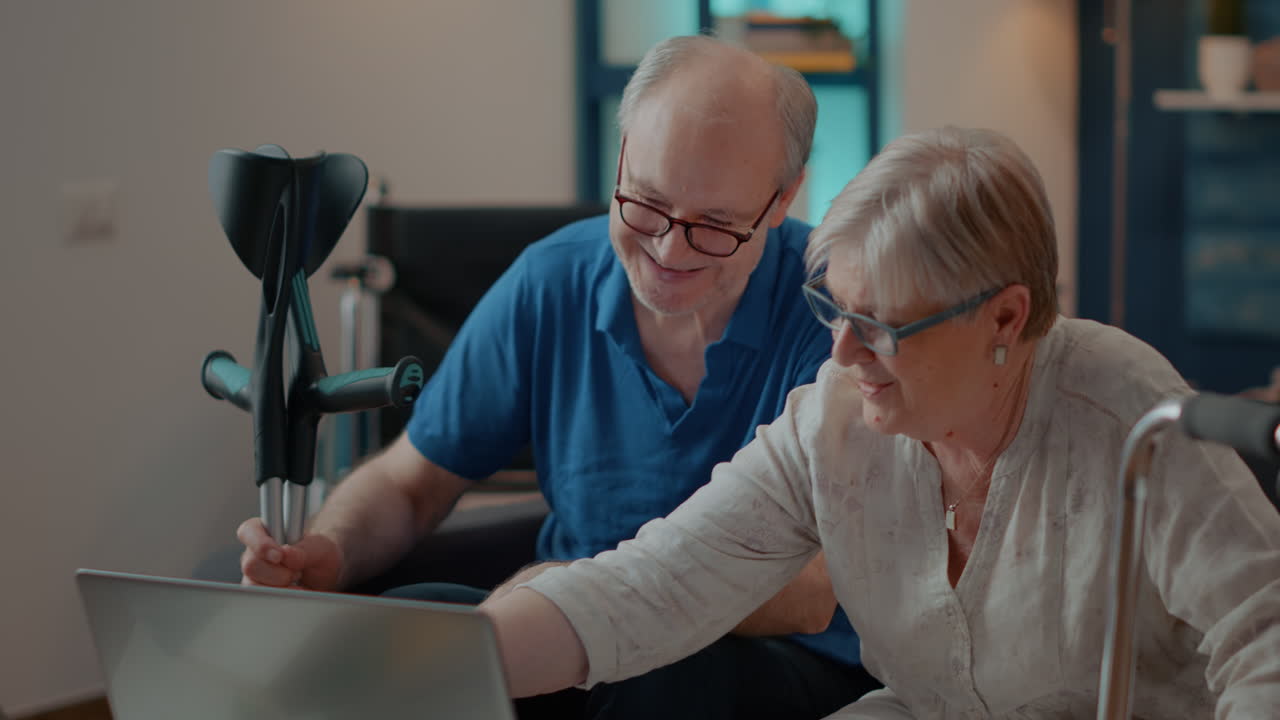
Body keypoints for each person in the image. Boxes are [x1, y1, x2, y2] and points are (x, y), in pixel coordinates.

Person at [480, 126, 1280, 718]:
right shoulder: (834, 420)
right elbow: (656, 584)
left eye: (882, 325)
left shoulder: (1127, 414)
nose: (843, 352)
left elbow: (1267, 636)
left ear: (1005, 317)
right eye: (834, 307)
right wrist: (453, 660)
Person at [238, 35, 878, 719]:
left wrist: (585, 596)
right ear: (623, 154)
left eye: (715, 225)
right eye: (647, 202)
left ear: (782, 199)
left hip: (781, 661)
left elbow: (813, 591)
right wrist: (328, 551)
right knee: (413, 626)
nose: (668, 250)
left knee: (660, 683)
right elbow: (409, 484)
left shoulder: (835, 316)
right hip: (575, 651)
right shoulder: (551, 282)